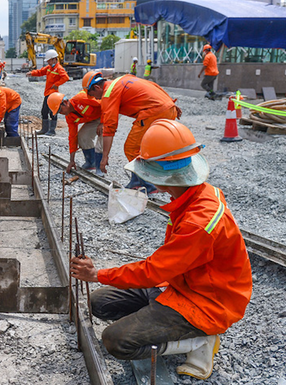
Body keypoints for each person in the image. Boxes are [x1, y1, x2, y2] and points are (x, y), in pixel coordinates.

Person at [70, 119, 252, 380]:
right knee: (99, 303)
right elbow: (163, 268)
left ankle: (200, 341)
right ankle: (159, 322)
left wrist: (97, 274)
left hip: (206, 302)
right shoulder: (195, 194)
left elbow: (154, 270)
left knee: (116, 341)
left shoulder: (198, 223)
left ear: (160, 177)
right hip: (179, 282)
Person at [84, 72, 182, 194]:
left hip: (153, 112)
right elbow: (152, 86)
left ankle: (149, 185)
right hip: (166, 108)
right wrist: (171, 104)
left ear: (97, 87)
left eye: (93, 95)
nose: (96, 99)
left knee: (131, 149)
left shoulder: (108, 93)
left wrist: (104, 157)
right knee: (145, 147)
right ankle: (136, 181)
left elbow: (109, 127)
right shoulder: (123, 79)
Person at [47, 70, 104, 175]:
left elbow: (105, 103)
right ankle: (91, 162)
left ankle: (100, 166)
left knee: (103, 133)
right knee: (82, 136)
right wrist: (72, 160)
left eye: (60, 110)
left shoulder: (82, 98)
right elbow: (72, 138)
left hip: (107, 112)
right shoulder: (70, 117)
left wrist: (103, 122)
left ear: (65, 103)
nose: (61, 113)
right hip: (95, 118)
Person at [29, 49, 69, 136]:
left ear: (54, 59)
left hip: (53, 94)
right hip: (48, 93)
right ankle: (44, 129)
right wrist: (32, 73)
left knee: (52, 112)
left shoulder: (59, 68)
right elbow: (40, 72)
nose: (48, 63)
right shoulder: (49, 68)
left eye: (49, 61)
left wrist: (56, 84)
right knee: (44, 111)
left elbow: (65, 77)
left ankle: (52, 130)